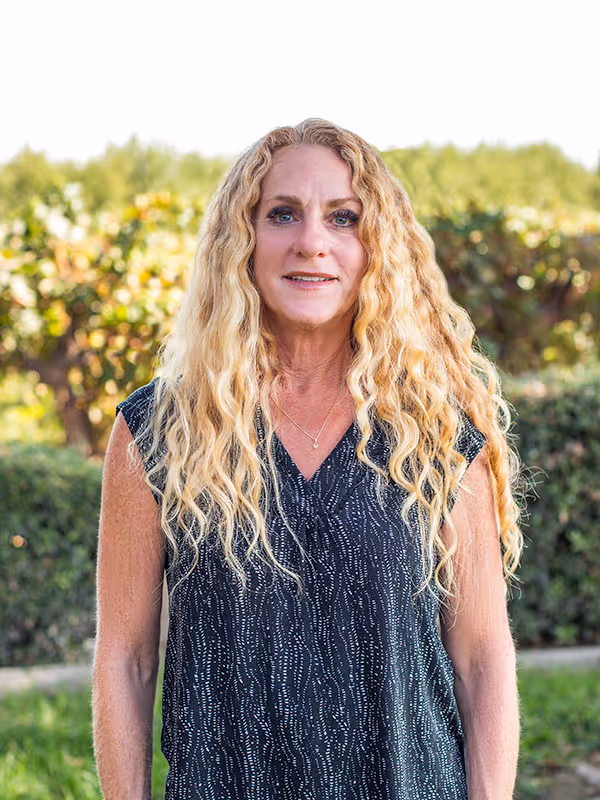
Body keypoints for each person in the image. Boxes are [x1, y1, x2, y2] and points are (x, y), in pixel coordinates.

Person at [92, 118, 524, 800]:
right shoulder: (158, 431)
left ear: (377, 245)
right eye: (282, 214)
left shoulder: (435, 433)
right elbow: (125, 658)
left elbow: (482, 659)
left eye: (344, 218)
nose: (311, 243)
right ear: (243, 238)